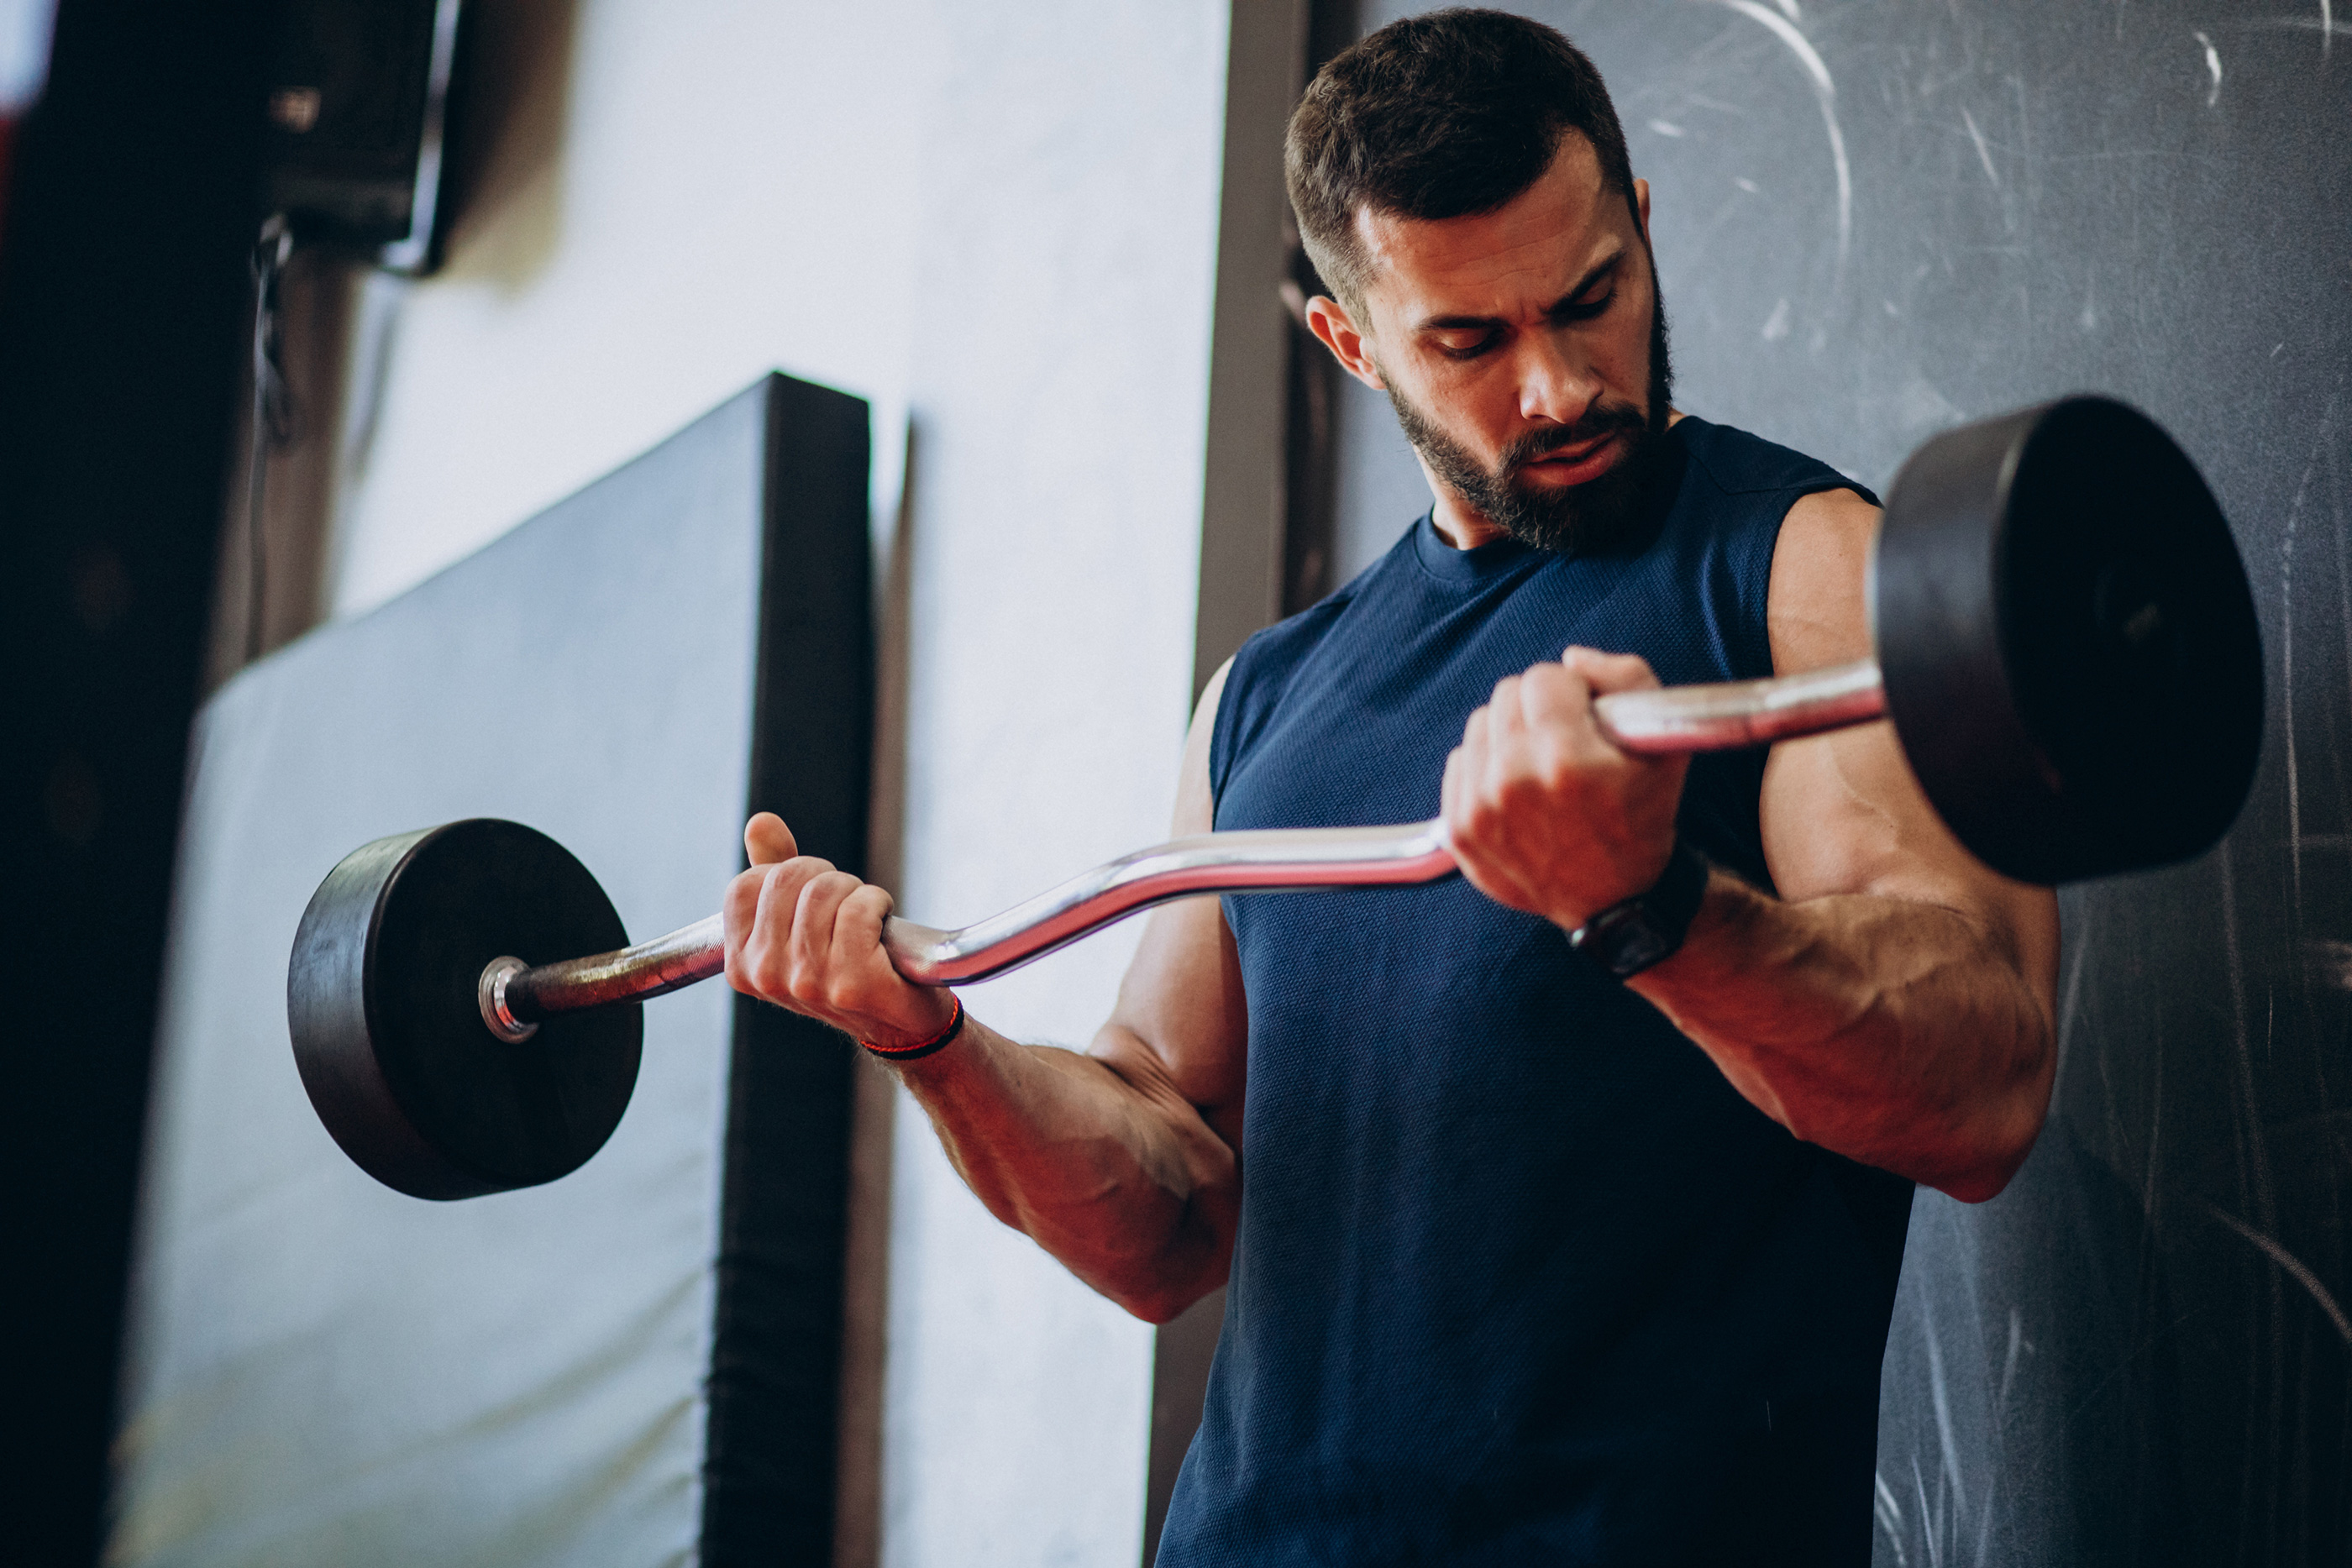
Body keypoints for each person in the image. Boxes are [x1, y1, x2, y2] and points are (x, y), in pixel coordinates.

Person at [721, 9, 2057, 1562]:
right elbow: (1167, 1218)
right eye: (1471, 341)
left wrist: (1651, 910)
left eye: (1593, 297)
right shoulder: (1264, 702)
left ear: (1641, 226)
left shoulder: (1801, 567)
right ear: (1352, 342)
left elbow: (1983, 1087)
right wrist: (931, 1038)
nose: (1558, 386)